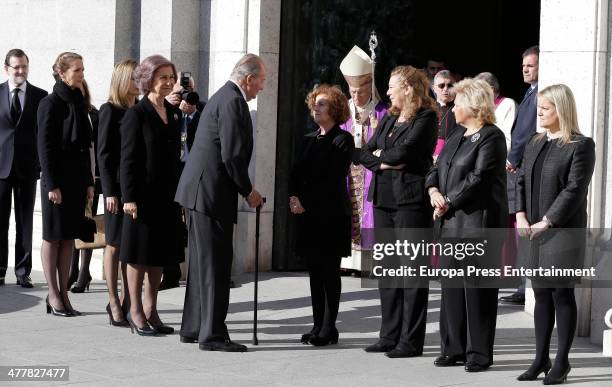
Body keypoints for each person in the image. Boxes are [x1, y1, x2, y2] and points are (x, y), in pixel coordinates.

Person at [175, 53, 265, 352]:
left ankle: (194, 327)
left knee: (203, 263)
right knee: (215, 265)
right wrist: (248, 191)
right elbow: (231, 156)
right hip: (210, 194)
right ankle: (211, 334)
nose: (261, 88)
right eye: (261, 81)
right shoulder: (233, 101)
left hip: (201, 193)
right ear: (248, 79)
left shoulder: (223, 96)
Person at [515, 84, 595, 384]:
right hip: (532, 231)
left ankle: (562, 362)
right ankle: (540, 359)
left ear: (561, 110)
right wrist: (521, 215)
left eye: (546, 108)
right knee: (540, 294)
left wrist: (548, 220)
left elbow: (574, 189)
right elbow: (521, 180)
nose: (539, 112)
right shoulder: (535, 142)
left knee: (561, 293)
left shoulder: (580, 145)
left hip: (561, 232)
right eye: (539, 106)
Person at [425, 78, 507, 372]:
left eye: (458, 102)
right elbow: (435, 167)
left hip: (477, 225)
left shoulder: (492, 137)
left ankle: (479, 354)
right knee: (451, 290)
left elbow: (479, 178)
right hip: (450, 224)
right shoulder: (457, 134)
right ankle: (453, 348)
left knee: (478, 292)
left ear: (472, 105)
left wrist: (448, 200)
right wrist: (434, 192)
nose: (452, 106)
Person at [358, 66, 437, 358]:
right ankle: (388, 335)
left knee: (413, 273)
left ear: (408, 88)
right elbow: (363, 152)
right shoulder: (389, 117)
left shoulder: (426, 118)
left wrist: (383, 157)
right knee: (389, 270)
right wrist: (383, 160)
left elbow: (406, 153)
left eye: (392, 86)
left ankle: (410, 340)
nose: (387, 92)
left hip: (411, 203)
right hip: (383, 200)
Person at [120, 55, 183, 336]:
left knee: (158, 256)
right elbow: (128, 159)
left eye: (171, 77)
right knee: (139, 255)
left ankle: (151, 310)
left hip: (167, 196)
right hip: (142, 196)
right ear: (149, 80)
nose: (168, 82)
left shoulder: (173, 112)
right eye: (163, 77)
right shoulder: (137, 113)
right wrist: (129, 197)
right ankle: (135, 311)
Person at [290, 84, 353, 346]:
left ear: (335, 109)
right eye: (315, 102)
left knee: (329, 271)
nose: (316, 107)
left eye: (323, 103)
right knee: (315, 271)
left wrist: (307, 203)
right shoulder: (307, 138)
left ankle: (329, 327)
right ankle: (317, 325)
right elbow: (296, 174)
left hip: (330, 214)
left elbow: (331, 177)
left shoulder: (342, 139)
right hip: (307, 215)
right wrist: (294, 198)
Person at [37, 51, 94, 316]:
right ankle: (52, 294)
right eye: (77, 70)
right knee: (53, 237)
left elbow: (85, 147)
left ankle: (63, 292)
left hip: (76, 181)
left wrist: (88, 183)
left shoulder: (80, 102)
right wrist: (51, 185)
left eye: (82, 70)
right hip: (56, 182)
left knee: (69, 237)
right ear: (62, 73)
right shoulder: (50, 104)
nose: (82, 75)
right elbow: (45, 147)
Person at [0, 49, 47, 288]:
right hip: (0, 169)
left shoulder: (41, 96)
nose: (20, 72)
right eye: (16, 67)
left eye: (24, 67)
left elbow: (43, 134)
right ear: (6, 68)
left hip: (28, 168)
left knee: (25, 222)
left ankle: (22, 272)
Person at [97, 59, 139, 327]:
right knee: (113, 245)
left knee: (130, 247)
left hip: (135, 189)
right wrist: (109, 191)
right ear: (124, 80)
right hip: (116, 192)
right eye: (136, 78)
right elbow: (104, 154)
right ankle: (113, 299)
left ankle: (127, 299)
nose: (140, 82)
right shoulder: (109, 110)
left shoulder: (141, 110)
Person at [338, 45, 387, 271]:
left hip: (370, 170)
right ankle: (349, 261)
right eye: (353, 92)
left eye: (361, 92)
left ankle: (369, 261)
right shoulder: (344, 110)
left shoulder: (383, 111)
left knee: (369, 212)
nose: (356, 96)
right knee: (350, 209)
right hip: (349, 170)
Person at [501, 45, 539, 306]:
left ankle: (525, 289)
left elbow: (525, 132)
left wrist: (512, 159)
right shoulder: (530, 92)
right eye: (524, 64)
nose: (525, 69)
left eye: (531, 65)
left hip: (524, 167)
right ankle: (522, 286)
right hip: (520, 167)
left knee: (524, 227)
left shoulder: (539, 94)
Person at [160, 72, 205, 290]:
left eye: (189, 88)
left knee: (195, 223)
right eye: (182, 88)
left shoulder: (202, 108)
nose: (186, 93)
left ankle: (198, 271)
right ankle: (170, 272)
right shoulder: (164, 108)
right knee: (170, 223)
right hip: (171, 171)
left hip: (193, 172)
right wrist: (170, 107)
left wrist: (193, 110)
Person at [68, 79, 100, 293]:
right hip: (72, 178)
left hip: (93, 178)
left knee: (87, 222)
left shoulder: (94, 114)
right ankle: (73, 269)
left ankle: (84, 272)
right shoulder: (68, 113)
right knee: (72, 223)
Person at [475, 72, 517, 151]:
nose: (477, 94)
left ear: (491, 89)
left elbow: (507, 138)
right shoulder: (480, 107)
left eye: (479, 90)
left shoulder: (508, 104)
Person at [431, 70, 457, 159]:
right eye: (441, 86)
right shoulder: (428, 108)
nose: (445, 89)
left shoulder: (459, 109)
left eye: (450, 85)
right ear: (434, 87)